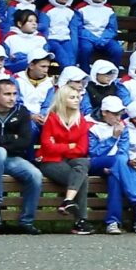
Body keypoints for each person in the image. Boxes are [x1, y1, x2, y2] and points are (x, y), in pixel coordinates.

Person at [0, 75, 45, 233]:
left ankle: (26, 221)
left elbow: (25, 141)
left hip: (13, 157)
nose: (12, 98)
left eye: (15, 94)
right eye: (7, 94)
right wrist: (10, 138)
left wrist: (0, 141)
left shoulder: (21, 111)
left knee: (35, 174)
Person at [36, 83, 92, 232]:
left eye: (78, 97)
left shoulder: (80, 119)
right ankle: (80, 220)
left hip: (70, 160)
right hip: (50, 161)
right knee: (82, 177)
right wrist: (70, 146)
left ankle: (68, 201)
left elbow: (82, 149)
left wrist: (59, 147)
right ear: (63, 100)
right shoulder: (52, 119)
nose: (77, 100)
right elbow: (47, 147)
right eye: (72, 97)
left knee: (83, 162)